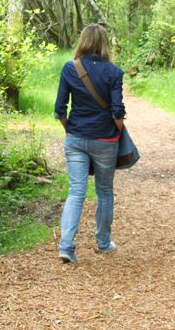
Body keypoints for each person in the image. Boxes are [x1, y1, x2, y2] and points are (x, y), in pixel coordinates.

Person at [54, 23, 125, 263]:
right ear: (104, 43)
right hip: (105, 140)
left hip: (75, 138)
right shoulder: (114, 72)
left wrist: (70, 129)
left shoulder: (69, 68)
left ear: (83, 41)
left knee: (76, 191)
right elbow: (117, 111)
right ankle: (103, 243)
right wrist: (118, 133)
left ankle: (66, 246)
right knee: (104, 192)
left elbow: (60, 109)